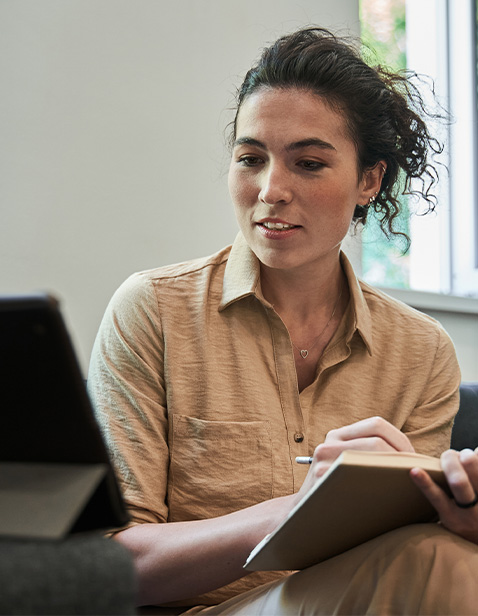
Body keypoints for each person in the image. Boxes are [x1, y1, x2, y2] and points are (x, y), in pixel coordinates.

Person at [88, 26, 478, 615]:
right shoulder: (153, 310)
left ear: (369, 181)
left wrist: (464, 520)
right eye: (251, 159)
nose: (271, 190)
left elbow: (407, 546)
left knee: (446, 554)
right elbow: (111, 567)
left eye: (310, 163)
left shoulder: (421, 351)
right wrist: (300, 508)